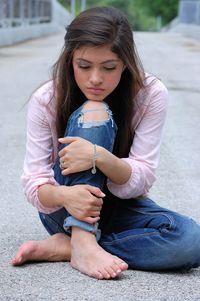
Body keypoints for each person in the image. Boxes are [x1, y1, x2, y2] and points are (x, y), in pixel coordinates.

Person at [12, 6, 200, 280]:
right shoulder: (47, 99)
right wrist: (66, 195)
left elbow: (142, 178)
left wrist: (98, 156)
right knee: (94, 111)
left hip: (116, 205)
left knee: (190, 241)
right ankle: (82, 239)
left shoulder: (150, 94)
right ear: (70, 60)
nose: (95, 78)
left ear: (125, 63)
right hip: (64, 208)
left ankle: (72, 246)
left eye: (109, 67)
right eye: (84, 66)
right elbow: (34, 182)